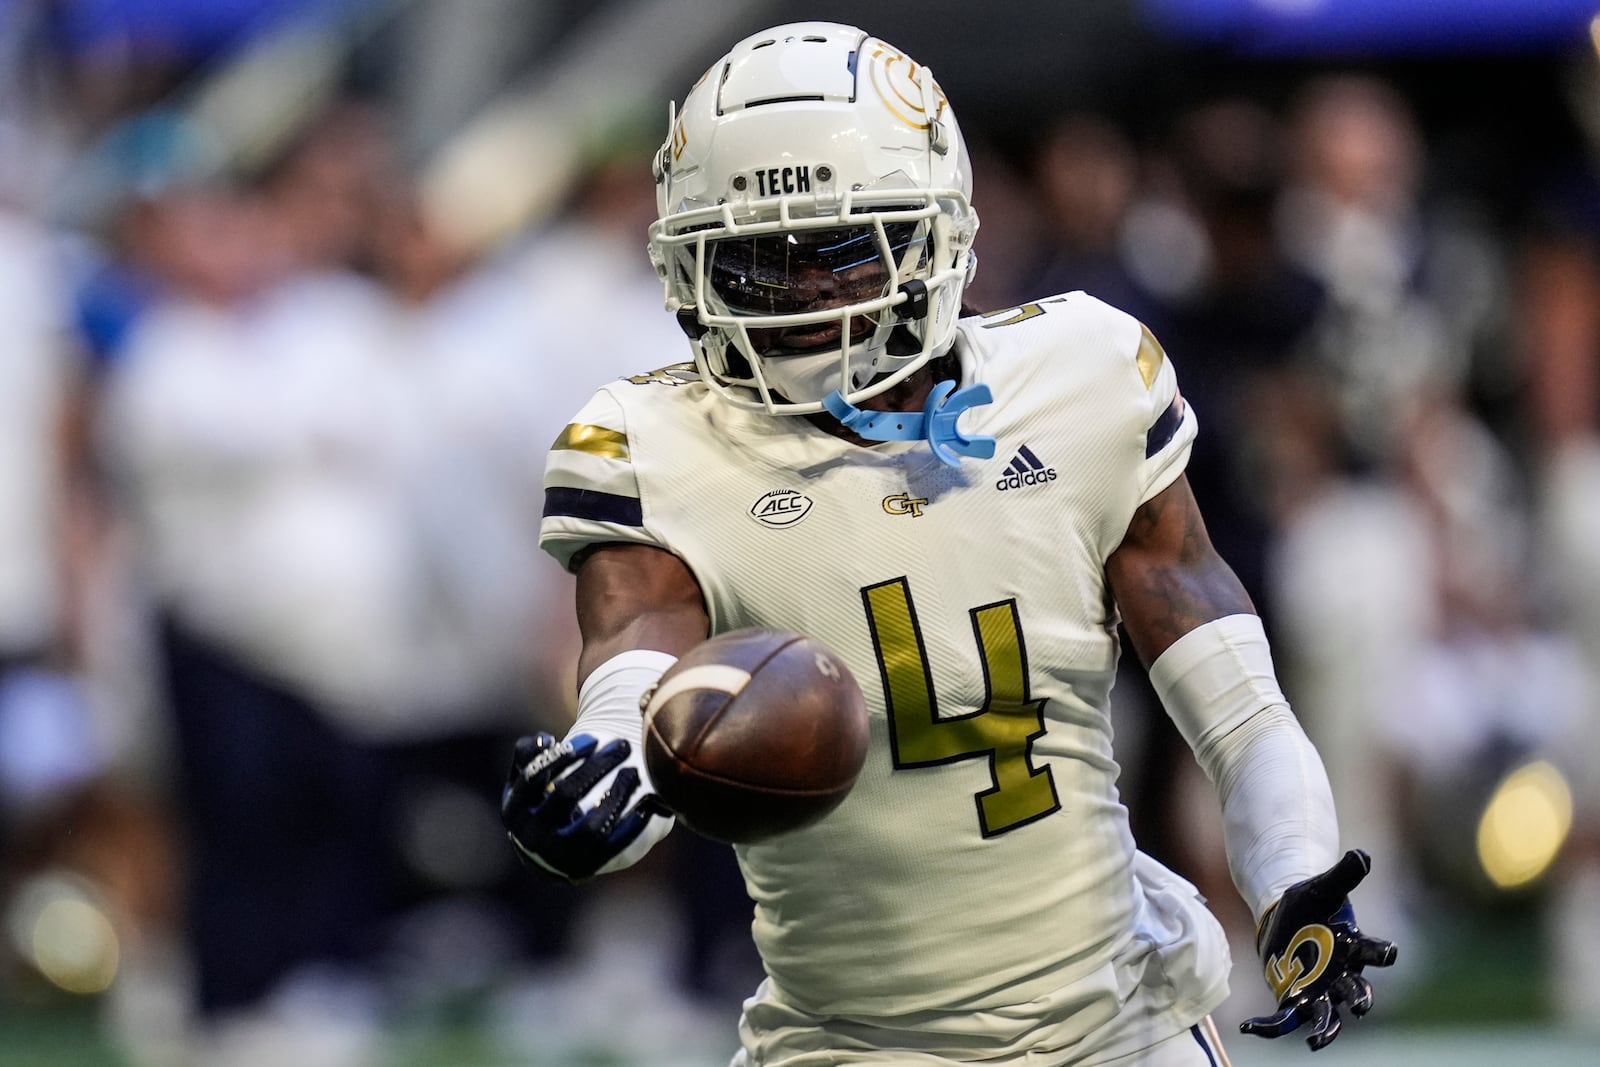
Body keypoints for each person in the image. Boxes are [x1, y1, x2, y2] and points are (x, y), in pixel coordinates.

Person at [502, 22, 1395, 1066]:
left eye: (835, 251)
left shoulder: (1082, 377)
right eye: (751, 261)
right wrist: (606, 770)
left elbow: (1234, 700)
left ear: (933, 236)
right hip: (844, 1042)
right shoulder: (655, 443)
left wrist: (1293, 875)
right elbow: (639, 657)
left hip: (1117, 1025)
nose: (796, 296)